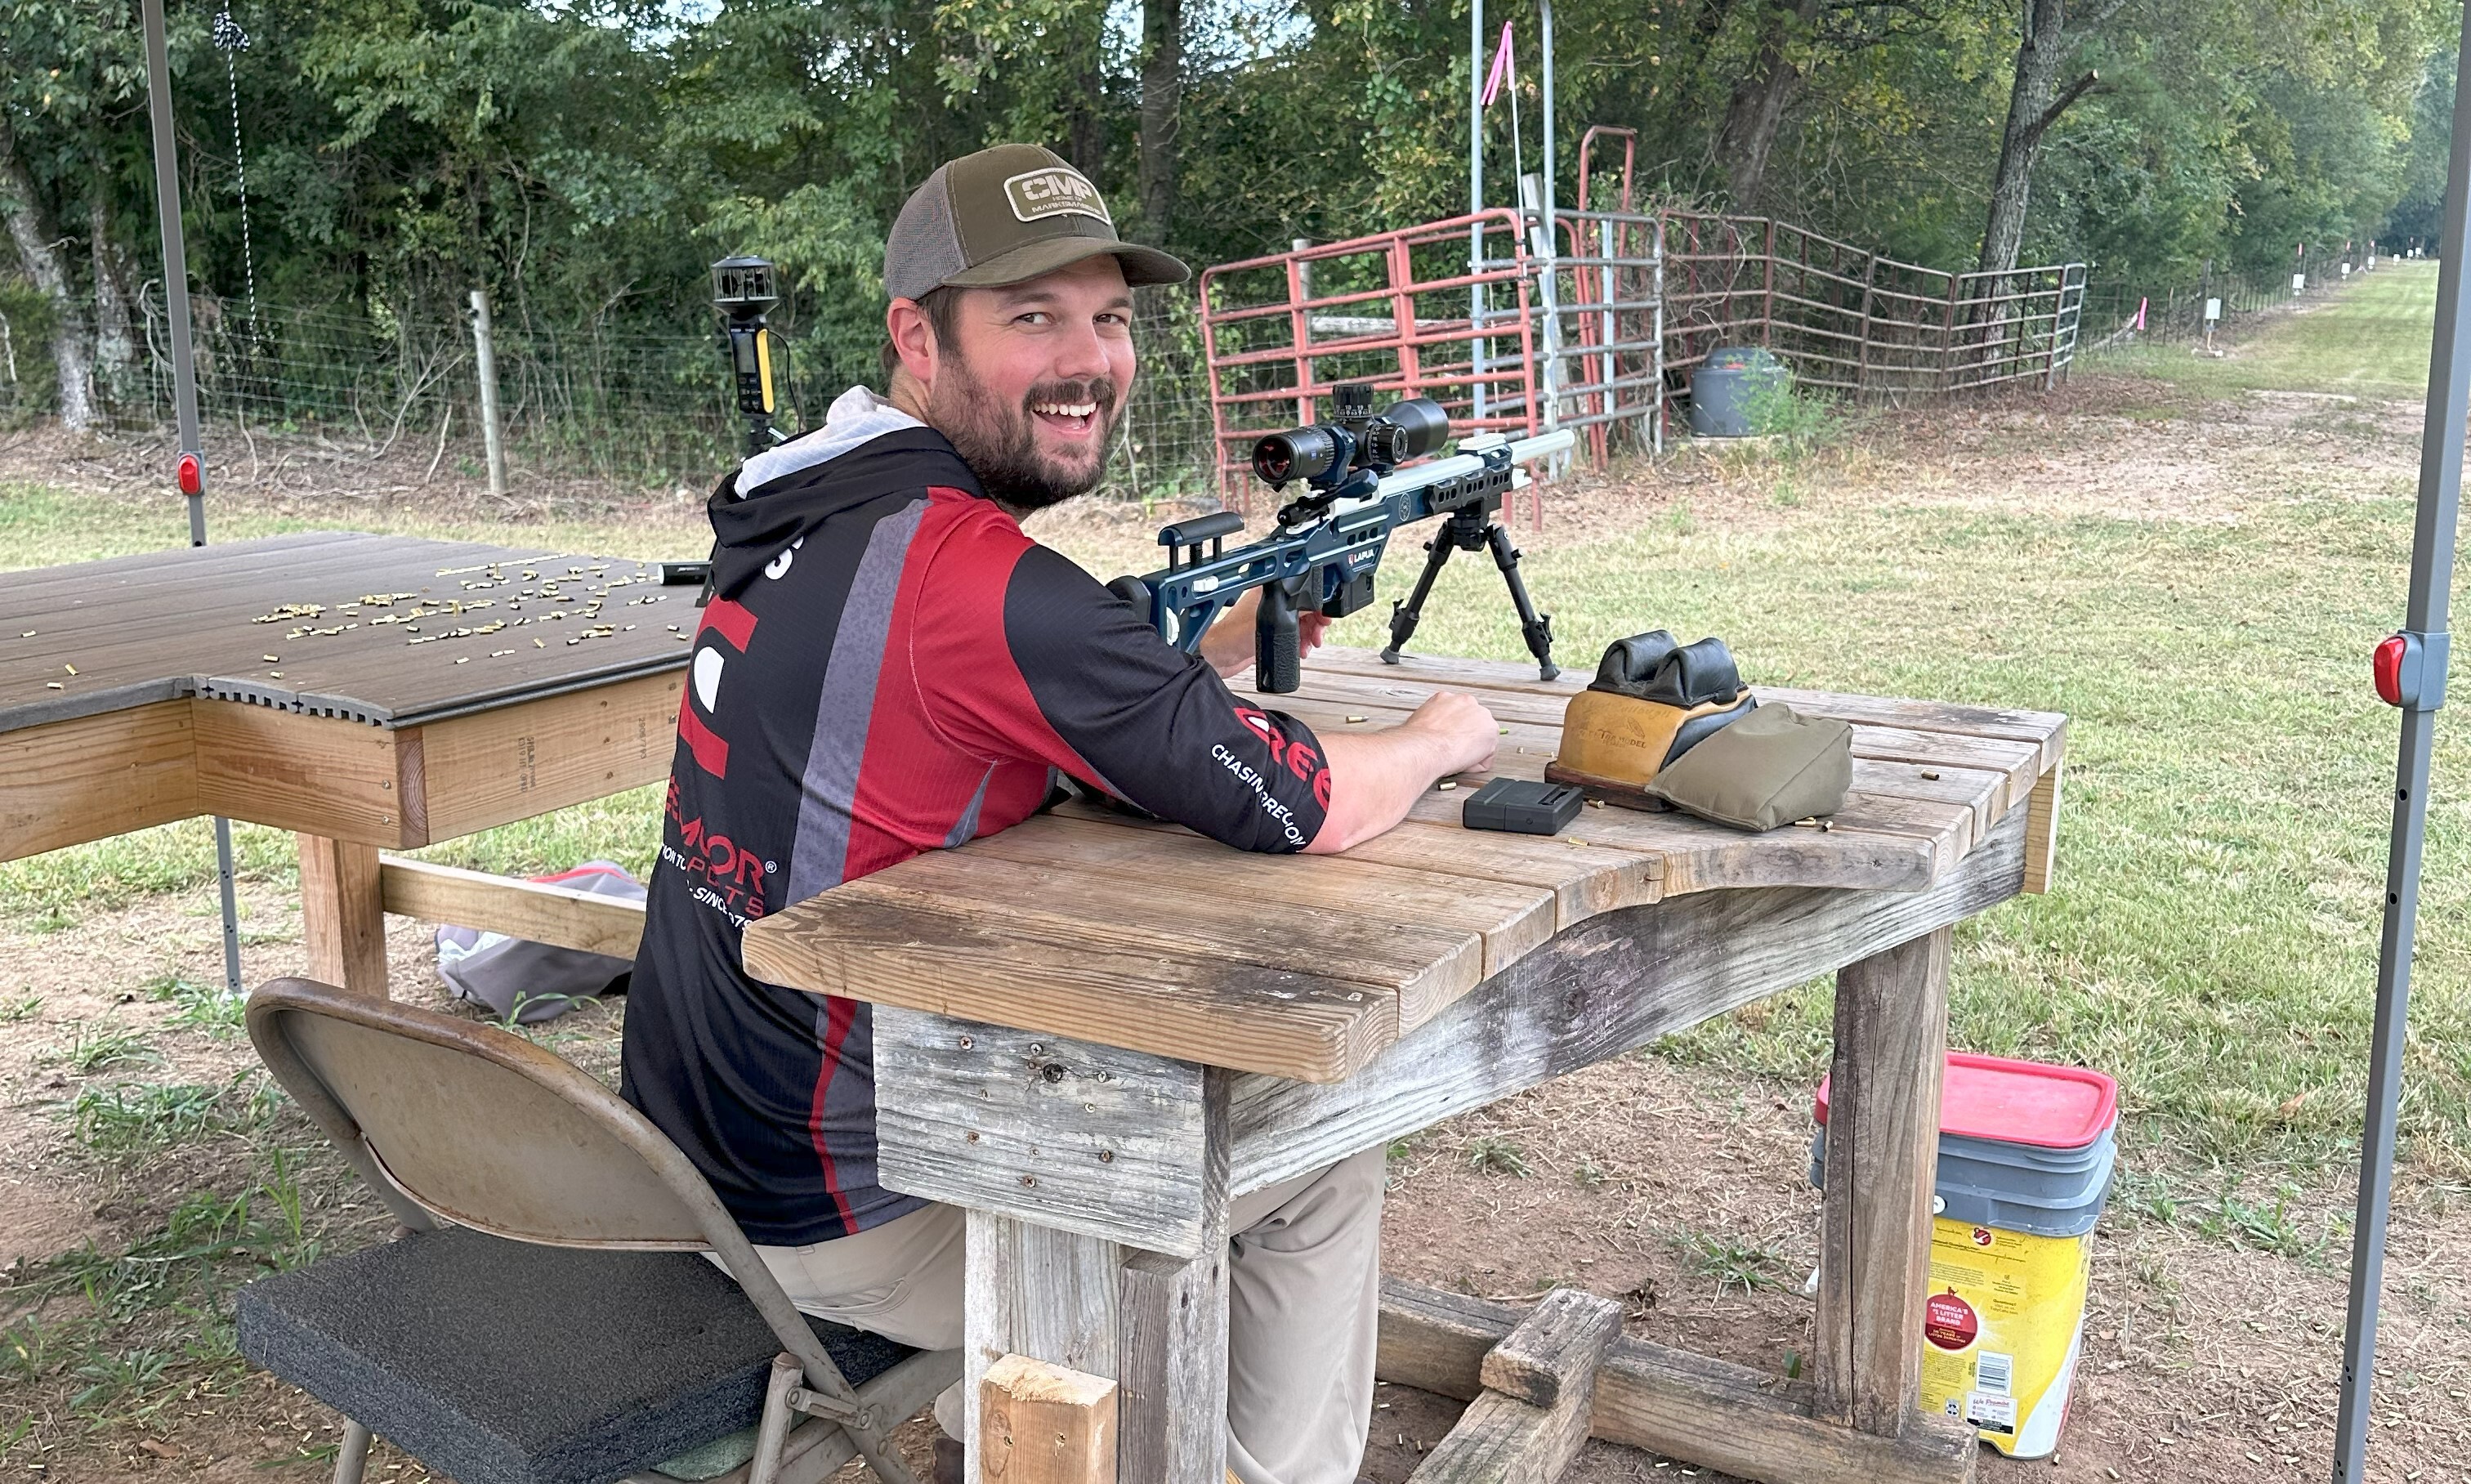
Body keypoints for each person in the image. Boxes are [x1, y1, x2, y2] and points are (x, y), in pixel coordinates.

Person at [619, 144, 1499, 1484]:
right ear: (919, 334)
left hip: (677, 1142)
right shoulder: (975, 582)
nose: (1087, 357)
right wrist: (1442, 738)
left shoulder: (813, 510)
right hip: (836, 1204)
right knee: (1322, 1153)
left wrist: (1232, 637)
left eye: (1110, 318)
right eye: (1032, 319)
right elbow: (1301, 805)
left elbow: (1026, 687)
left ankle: (1023, 1422)